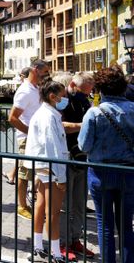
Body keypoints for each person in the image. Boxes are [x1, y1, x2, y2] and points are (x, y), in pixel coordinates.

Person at [78, 66, 134, 263]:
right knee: (126, 225)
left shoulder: (94, 113)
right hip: (128, 172)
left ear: (99, 89)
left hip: (100, 173)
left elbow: (84, 145)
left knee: (105, 224)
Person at [25, 79, 70, 263]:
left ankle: (38, 247)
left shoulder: (43, 113)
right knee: (54, 212)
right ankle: (56, 254)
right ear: (53, 96)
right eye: (63, 95)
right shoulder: (49, 116)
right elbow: (53, 148)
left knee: (41, 207)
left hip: (43, 166)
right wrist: (60, 177)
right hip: (51, 168)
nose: (65, 98)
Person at [56, 72, 95, 258]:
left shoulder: (85, 102)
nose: (86, 96)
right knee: (65, 205)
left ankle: (75, 239)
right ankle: (63, 243)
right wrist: (82, 125)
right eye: (84, 92)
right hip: (67, 157)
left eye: (89, 93)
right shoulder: (63, 101)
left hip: (83, 158)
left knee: (80, 204)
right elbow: (59, 124)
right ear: (73, 85)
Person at [7, 59, 50, 220]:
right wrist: (30, 133)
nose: (47, 75)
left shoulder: (36, 88)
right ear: (35, 70)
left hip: (38, 138)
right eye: (45, 71)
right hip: (28, 139)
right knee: (24, 174)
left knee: (36, 172)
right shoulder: (25, 90)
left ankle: (33, 203)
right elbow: (12, 118)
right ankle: (22, 206)